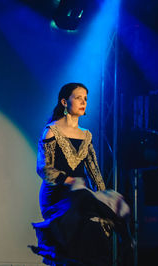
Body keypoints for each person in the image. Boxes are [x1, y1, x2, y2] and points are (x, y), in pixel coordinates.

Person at [29, 83, 130, 266]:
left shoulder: (86, 135)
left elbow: (94, 171)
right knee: (68, 248)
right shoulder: (52, 130)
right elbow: (43, 169)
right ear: (64, 102)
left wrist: (103, 195)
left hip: (82, 195)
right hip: (58, 194)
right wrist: (69, 181)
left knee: (92, 238)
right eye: (78, 97)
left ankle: (125, 240)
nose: (83, 102)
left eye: (85, 98)